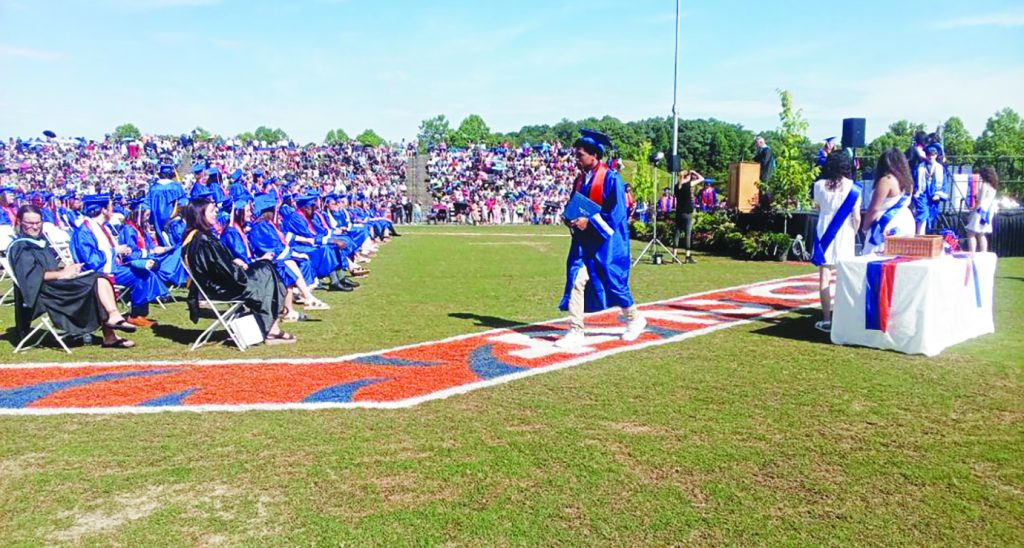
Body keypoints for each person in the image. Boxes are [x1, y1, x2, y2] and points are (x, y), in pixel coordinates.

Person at [555, 129, 645, 348]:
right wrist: (570, 218)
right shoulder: (580, 180)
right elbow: (576, 205)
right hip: (584, 243)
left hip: (608, 242)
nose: (576, 159)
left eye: (580, 155)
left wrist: (590, 223)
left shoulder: (611, 178)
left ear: (594, 155)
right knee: (576, 279)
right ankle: (576, 330)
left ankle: (635, 318)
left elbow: (617, 214)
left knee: (613, 281)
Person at [8, 205, 137, 348]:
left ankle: (112, 322)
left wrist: (70, 270)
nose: (35, 227)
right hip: (44, 294)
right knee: (95, 281)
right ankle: (110, 332)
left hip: (55, 286)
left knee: (99, 277)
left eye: (38, 223)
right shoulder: (20, 247)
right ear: (19, 222)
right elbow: (32, 276)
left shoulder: (39, 241)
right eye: (30, 223)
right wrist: (63, 273)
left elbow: (48, 270)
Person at [180, 190, 294, 345]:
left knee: (264, 269)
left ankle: (270, 327)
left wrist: (236, 263)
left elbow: (217, 265)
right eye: (212, 211)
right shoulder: (203, 240)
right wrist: (240, 267)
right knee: (266, 272)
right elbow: (223, 270)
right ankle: (272, 331)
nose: (216, 214)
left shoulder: (194, 236)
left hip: (215, 284)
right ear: (200, 214)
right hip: (220, 288)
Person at [70, 194, 167, 328]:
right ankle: (134, 316)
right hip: (96, 273)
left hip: (113, 267)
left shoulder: (102, 228)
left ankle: (137, 315)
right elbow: (91, 260)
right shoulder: (84, 232)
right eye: (110, 207)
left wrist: (119, 251)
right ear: (103, 210)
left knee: (143, 273)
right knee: (142, 274)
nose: (113, 211)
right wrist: (116, 251)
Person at [811, 152, 861, 333]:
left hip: (825, 231)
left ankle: (826, 319)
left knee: (824, 278)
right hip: (845, 232)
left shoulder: (818, 185)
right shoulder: (853, 187)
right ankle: (844, 318)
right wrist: (854, 233)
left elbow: (818, 207)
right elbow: (856, 217)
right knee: (844, 278)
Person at [861, 149, 915, 256]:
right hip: (906, 221)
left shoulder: (886, 180)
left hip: (887, 223)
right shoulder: (909, 182)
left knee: (877, 260)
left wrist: (865, 227)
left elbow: (874, 208)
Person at [913, 144, 948, 235]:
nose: (930, 156)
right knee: (923, 215)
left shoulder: (941, 169)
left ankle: (923, 236)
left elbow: (944, 184)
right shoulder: (919, 167)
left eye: (933, 154)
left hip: (933, 196)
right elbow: (914, 181)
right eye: (928, 154)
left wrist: (938, 194)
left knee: (930, 217)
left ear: (936, 155)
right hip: (922, 195)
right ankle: (920, 238)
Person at [965, 167, 999, 253]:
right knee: (981, 234)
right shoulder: (993, 186)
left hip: (980, 211)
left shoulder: (985, 184)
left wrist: (973, 208)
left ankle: (972, 253)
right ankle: (984, 253)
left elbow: (980, 200)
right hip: (987, 210)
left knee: (971, 233)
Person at [673, 170, 699, 264]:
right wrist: (694, 172)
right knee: (688, 234)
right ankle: (687, 256)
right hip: (687, 212)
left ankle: (674, 255)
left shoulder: (676, 186)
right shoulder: (688, 185)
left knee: (677, 233)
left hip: (679, 212)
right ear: (687, 176)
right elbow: (701, 179)